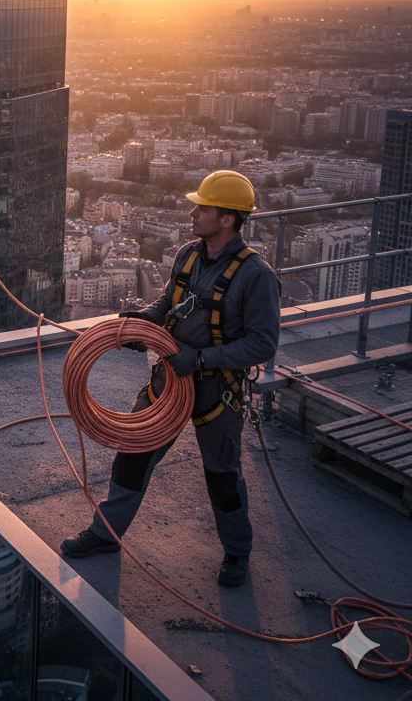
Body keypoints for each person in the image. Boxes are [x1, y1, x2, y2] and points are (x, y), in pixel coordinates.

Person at [60, 171, 280, 587]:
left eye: (203, 208)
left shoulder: (256, 276)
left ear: (228, 219)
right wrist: (144, 322)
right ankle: (105, 534)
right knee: (133, 455)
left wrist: (198, 360)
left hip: (216, 390)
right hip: (168, 382)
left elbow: (263, 344)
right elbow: (169, 302)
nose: (194, 213)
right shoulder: (187, 256)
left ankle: (237, 553)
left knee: (222, 475)